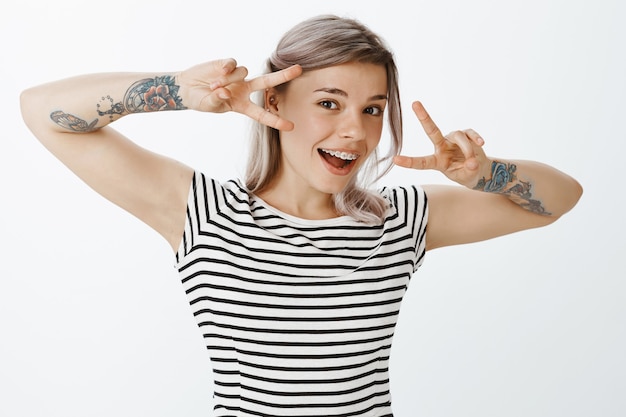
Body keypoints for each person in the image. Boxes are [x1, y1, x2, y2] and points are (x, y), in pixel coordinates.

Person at [20, 14, 581, 417]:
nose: (354, 131)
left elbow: (562, 199)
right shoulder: (205, 214)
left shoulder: (398, 219)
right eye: (329, 102)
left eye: (372, 110)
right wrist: (178, 91)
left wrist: (489, 175)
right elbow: (42, 112)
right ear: (275, 102)